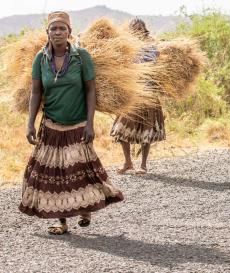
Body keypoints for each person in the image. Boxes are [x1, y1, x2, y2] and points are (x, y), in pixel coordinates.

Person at [19, 11, 124, 235]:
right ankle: (62, 221)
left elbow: (90, 89)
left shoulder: (81, 56)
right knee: (55, 175)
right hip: (51, 125)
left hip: (77, 125)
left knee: (80, 171)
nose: (58, 32)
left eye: (62, 28)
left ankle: (85, 208)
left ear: (70, 32)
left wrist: (90, 123)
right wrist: (30, 123)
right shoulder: (40, 58)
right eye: (53, 29)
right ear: (47, 32)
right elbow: (36, 92)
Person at [110, 18, 165, 175]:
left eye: (139, 28)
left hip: (148, 93)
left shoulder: (152, 46)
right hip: (131, 94)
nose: (137, 31)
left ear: (144, 29)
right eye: (134, 28)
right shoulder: (126, 46)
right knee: (121, 129)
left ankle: (143, 165)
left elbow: (154, 65)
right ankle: (128, 162)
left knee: (146, 131)